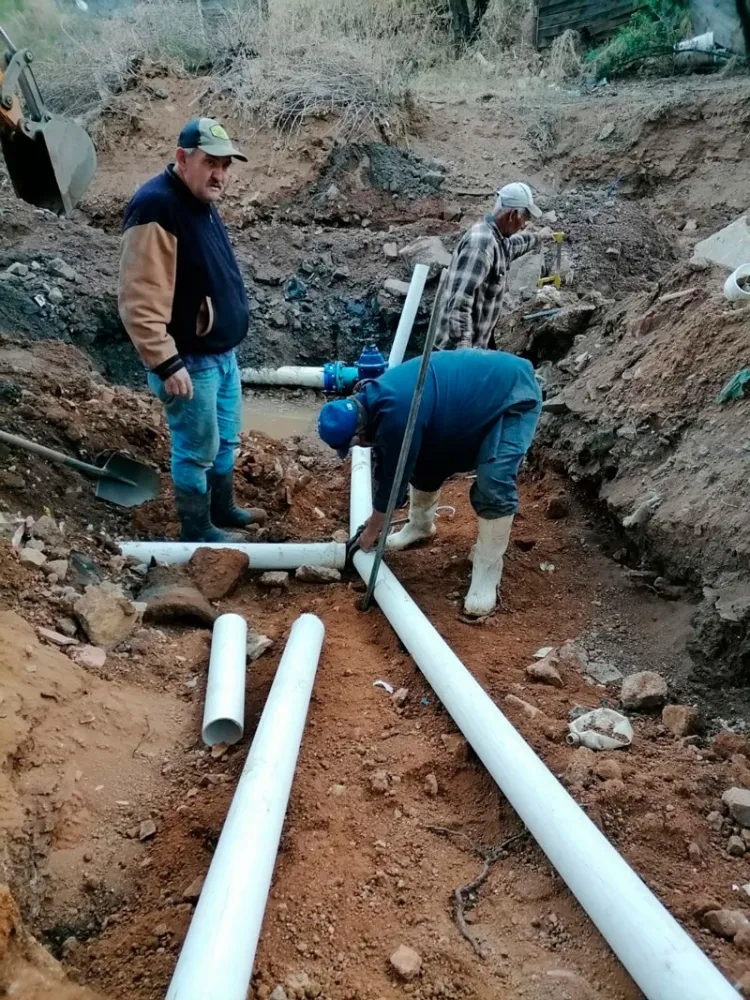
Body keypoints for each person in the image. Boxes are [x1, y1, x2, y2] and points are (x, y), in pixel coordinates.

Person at [118, 118, 266, 542]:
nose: (219, 174)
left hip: (221, 355)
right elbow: (138, 297)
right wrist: (166, 362)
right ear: (183, 158)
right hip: (189, 361)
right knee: (196, 449)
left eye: (225, 165)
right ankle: (198, 529)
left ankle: (223, 509)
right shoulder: (156, 207)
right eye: (210, 163)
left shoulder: (198, 200)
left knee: (225, 441)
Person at [317, 349, 542, 618]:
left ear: (357, 432)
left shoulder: (397, 413)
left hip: (511, 395)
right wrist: (374, 521)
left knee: (494, 480)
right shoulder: (371, 402)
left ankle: (487, 568)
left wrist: (370, 531)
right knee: (425, 459)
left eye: (353, 444)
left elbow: (393, 479)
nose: (359, 447)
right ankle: (421, 525)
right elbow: (387, 463)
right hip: (470, 399)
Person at [435, 182, 549, 351]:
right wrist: (464, 352)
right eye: (524, 218)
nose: (524, 225)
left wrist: (539, 236)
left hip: (474, 347)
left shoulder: (497, 238)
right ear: (511, 215)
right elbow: (459, 303)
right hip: (453, 353)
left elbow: (512, 246)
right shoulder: (481, 246)